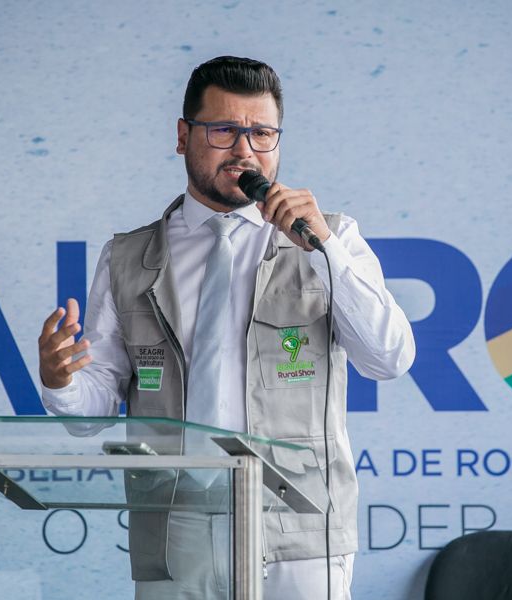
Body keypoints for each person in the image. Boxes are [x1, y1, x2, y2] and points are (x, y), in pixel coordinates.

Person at [38, 56, 415, 600]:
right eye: (225, 131)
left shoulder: (331, 239)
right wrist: (62, 382)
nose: (245, 150)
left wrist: (323, 250)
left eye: (262, 133)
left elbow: (390, 358)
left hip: (299, 528)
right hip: (175, 523)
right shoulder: (127, 257)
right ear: (183, 136)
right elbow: (90, 414)